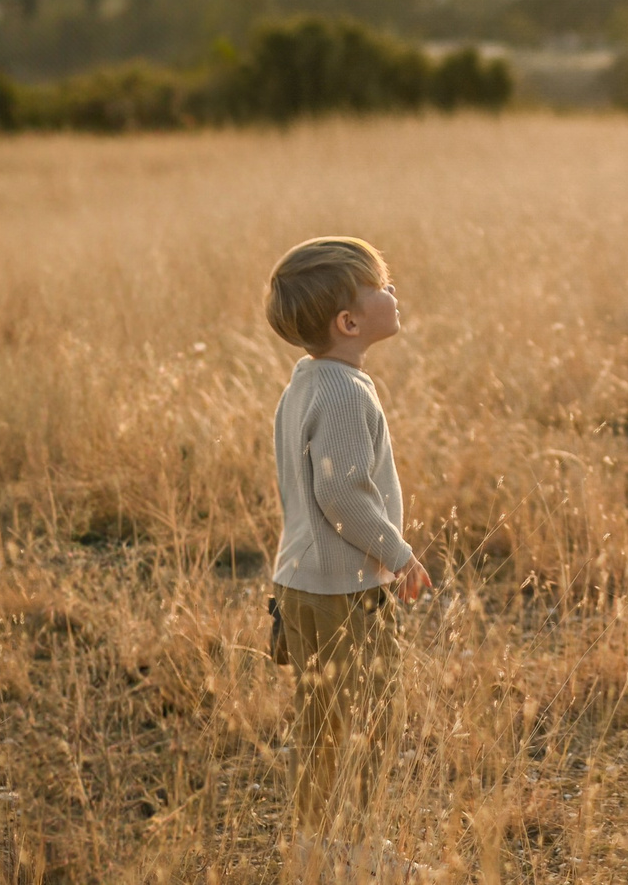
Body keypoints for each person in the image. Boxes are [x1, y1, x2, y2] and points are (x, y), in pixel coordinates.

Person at [265, 236, 432, 880]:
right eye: (380, 285)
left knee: (322, 724)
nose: (393, 292)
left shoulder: (306, 383)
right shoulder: (343, 393)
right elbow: (341, 493)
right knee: (366, 721)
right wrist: (399, 555)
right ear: (349, 322)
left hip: (301, 583)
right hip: (342, 589)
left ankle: (317, 845)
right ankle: (357, 852)